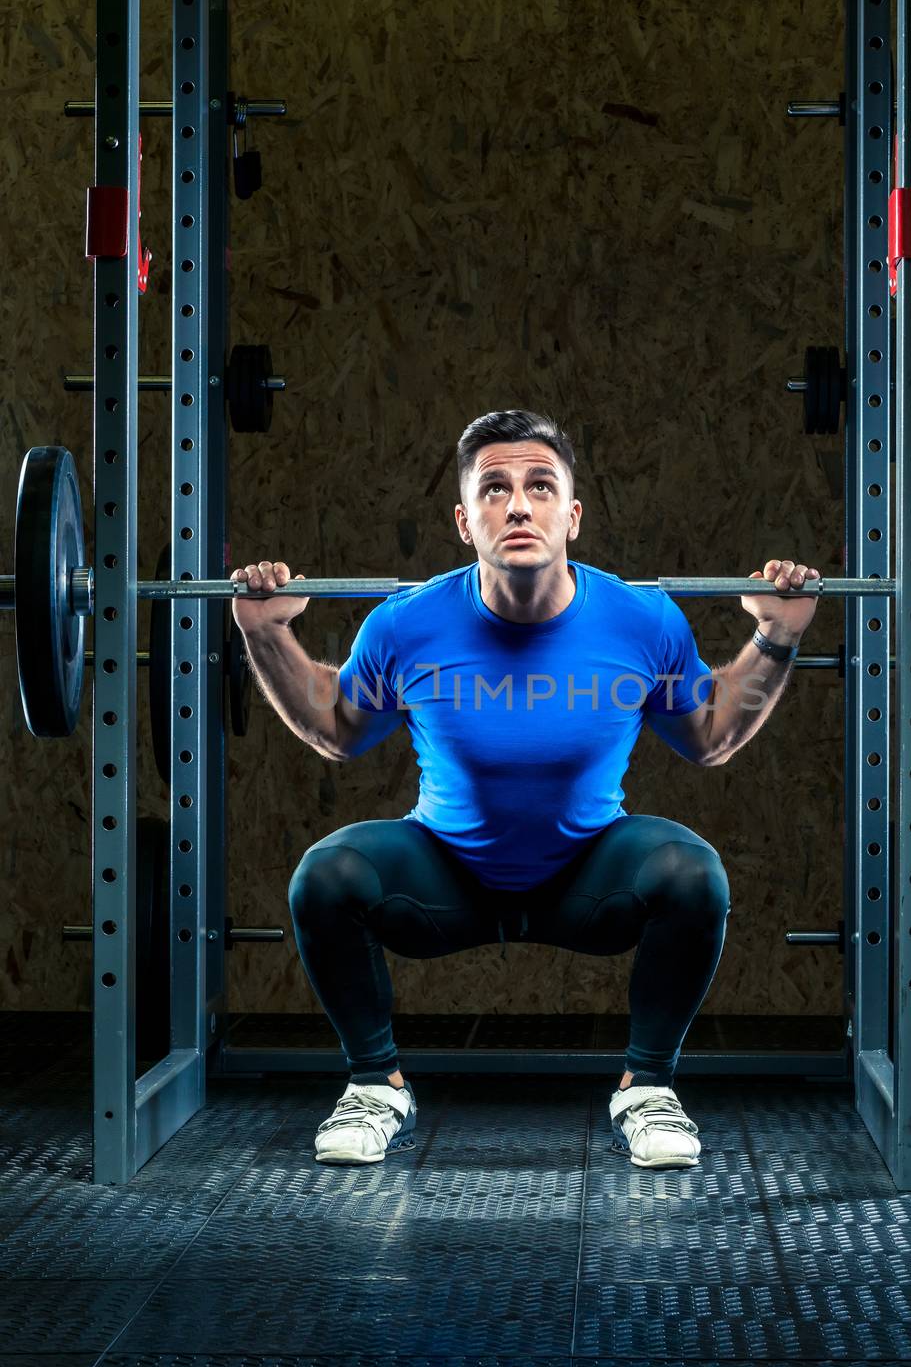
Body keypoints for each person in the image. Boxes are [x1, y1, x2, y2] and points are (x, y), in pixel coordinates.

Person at [232, 409, 819, 1170]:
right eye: (495, 489)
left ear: (572, 516)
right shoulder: (404, 624)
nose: (517, 505)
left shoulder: (643, 620)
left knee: (691, 872)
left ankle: (649, 1089)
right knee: (327, 875)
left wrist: (775, 637)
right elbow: (339, 728)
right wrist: (264, 633)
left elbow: (709, 735)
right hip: (446, 876)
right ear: (463, 520)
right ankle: (376, 1086)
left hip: (587, 877)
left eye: (540, 487)